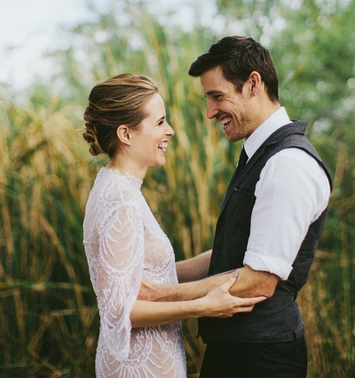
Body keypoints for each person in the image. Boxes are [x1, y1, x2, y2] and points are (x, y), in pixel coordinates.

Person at [138, 36, 333, 378]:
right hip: (239, 353)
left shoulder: (287, 163)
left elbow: (258, 281)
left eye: (217, 96)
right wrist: (154, 271)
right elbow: (236, 252)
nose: (210, 112)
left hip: (261, 360)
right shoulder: (260, 153)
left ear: (253, 84)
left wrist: (160, 295)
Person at [81, 73, 266, 378]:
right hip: (140, 367)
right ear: (126, 134)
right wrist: (204, 305)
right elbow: (120, 312)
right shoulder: (121, 201)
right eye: (159, 122)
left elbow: (147, 275)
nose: (170, 131)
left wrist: (229, 253)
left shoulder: (115, 187)